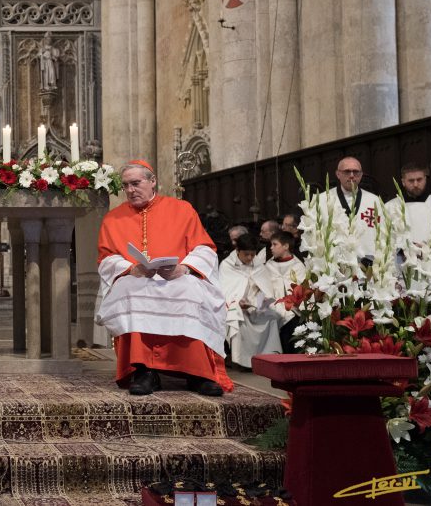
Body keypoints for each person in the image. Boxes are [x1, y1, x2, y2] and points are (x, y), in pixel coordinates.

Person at [95, 160, 232, 396]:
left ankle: (197, 373)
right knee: (131, 290)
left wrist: (185, 268)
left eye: (136, 183)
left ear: (153, 181)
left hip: (176, 277)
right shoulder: (112, 219)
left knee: (190, 289)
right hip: (137, 277)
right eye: (126, 185)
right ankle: (144, 371)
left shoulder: (182, 209)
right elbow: (107, 259)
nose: (130, 190)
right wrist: (131, 268)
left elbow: (205, 249)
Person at [233, 231, 307, 366]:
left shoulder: (298, 266)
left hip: (294, 308)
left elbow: (303, 292)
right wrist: (252, 303)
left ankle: (294, 362)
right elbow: (259, 289)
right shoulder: (268, 266)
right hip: (272, 305)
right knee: (272, 317)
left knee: (293, 322)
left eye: (274, 244)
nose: (271, 247)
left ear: (286, 246)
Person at [384, 163, 431, 289]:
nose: (415, 184)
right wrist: (404, 250)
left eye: (419, 180)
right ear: (403, 181)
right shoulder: (390, 207)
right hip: (401, 268)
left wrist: (424, 250)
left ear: (425, 179)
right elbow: (386, 239)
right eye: (411, 180)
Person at [315, 156, 382, 261]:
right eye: (347, 172)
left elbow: (381, 233)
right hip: (335, 262)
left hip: (367, 262)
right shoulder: (322, 199)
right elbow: (315, 233)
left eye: (356, 172)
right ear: (338, 174)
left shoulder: (374, 201)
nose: (352, 176)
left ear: (361, 175)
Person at [218, 233, 262, 366]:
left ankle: (263, 359)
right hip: (234, 304)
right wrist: (239, 302)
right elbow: (225, 291)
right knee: (235, 315)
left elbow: (264, 287)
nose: (250, 258)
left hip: (254, 303)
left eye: (252, 255)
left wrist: (253, 302)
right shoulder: (227, 265)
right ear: (237, 251)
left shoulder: (258, 263)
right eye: (246, 254)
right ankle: (240, 360)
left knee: (271, 316)